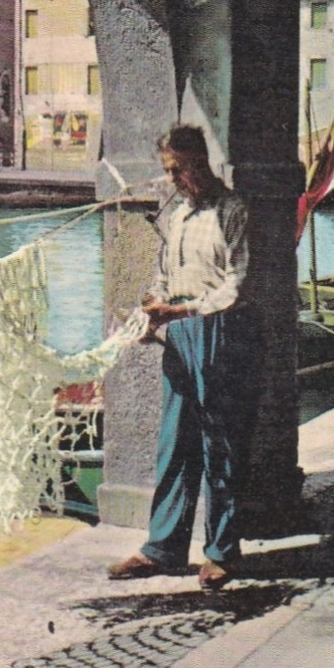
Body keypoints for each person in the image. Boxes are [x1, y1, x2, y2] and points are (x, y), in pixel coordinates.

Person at [107, 124, 256, 592]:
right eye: (167, 170)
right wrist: (153, 307)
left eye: (176, 169)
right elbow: (164, 273)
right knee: (175, 442)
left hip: (220, 332)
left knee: (220, 444)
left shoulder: (233, 211)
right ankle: (163, 548)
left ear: (198, 162)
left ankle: (220, 553)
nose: (171, 179)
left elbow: (238, 283)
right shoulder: (176, 217)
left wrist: (185, 309)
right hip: (180, 333)